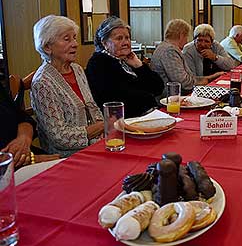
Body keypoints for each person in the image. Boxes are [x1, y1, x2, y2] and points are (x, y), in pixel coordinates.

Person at [31, 15, 104, 158]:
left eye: (74, 38)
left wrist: (104, 129)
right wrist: (103, 126)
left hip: (96, 145)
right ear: (47, 47)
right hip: (66, 156)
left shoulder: (77, 69)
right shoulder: (42, 82)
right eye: (67, 39)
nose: (75, 44)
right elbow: (60, 137)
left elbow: (93, 108)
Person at [85, 16, 164, 118]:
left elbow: (158, 87)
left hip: (148, 115)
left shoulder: (126, 60)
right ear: (105, 43)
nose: (126, 42)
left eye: (127, 38)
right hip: (126, 122)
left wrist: (138, 65)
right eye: (119, 38)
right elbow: (120, 100)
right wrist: (148, 96)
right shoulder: (98, 63)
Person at [151, 19, 223, 96]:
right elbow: (184, 83)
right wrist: (208, 79)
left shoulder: (165, 47)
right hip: (171, 100)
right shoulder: (169, 51)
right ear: (181, 35)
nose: (187, 41)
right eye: (187, 36)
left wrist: (210, 78)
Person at [0, 82, 60, 168]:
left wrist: (24, 137)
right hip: (13, 168)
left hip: (27, 155)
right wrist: (29, 160)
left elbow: (22, 117)